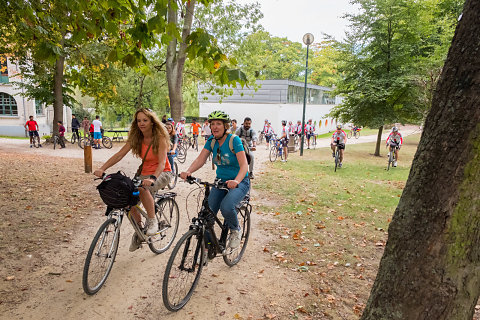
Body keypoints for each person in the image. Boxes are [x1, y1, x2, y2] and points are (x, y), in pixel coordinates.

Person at [94, 108, 172, 252]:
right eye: (139, 120)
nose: (141, 123)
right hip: (143, 174)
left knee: (143, 188)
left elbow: (162, 163)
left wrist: (153, 178)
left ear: (152, 122)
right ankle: (139, 232)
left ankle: (152, 220)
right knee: (127, 200)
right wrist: (102, 168)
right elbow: (119, 155)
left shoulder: (159, 137)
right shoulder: (137, 137)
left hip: (162, 173)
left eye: (145, 120)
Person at [180, 110, 249, 250]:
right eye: (212, 124)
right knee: (206, 214)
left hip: (239, 182)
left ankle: (235, 230)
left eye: (218, 124)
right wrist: (188, 172)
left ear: (225, 126)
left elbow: (244, 166)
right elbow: (201, 159)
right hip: (220, 182)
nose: (215, 127)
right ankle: (210, 246)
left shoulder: (233, 140)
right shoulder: (211, 141)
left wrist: (236, 181)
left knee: (226, 207)